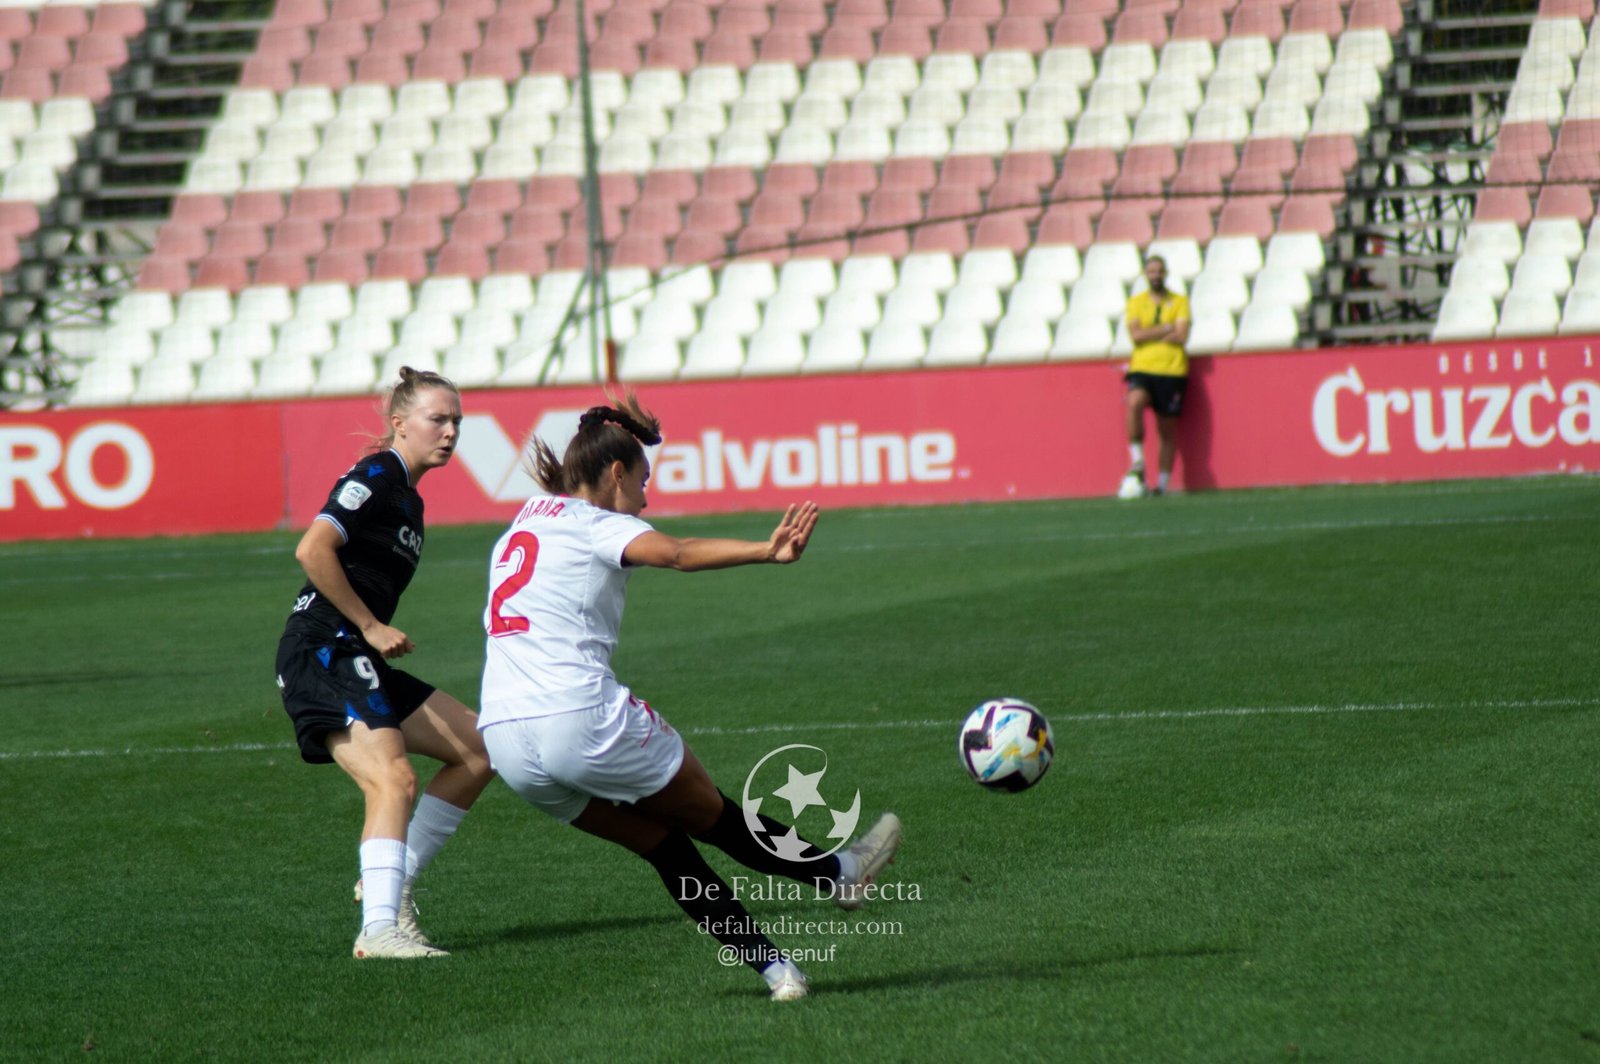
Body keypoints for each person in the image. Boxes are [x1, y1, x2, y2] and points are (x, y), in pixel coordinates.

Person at [477, 393, 901, 1002]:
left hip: (505, 740)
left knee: (664, 846)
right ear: (617, 472)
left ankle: (779, 973)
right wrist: (766, 550)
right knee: (718, 818)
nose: (646, 499)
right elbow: (675, 553)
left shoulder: (520, 525)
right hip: (579, 719)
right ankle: (840, 872)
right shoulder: (600, 525)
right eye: (642, 480)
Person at [274, 366, 495, 959]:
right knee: (393, 779)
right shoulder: (375, 474)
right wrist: (370, 625)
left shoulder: (409, 499)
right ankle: (379, 930)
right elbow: (312, 548)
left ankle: (386, 882)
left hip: (355, 651)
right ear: (399, 424)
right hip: (326, 647)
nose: (450, 432)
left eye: (457, 421)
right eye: (438, 419)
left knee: (480, 749)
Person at [1120, 255, 1191, 498]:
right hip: (1142, 367)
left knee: (1166, 429)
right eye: (1151, 271)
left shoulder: (1179, 301)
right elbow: (1136, 336)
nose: (1155, 275)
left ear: (1166, 273)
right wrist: (1165, 328)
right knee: (1134, 402)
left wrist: (1151, 332)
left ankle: (1161, 485)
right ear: (1145, 274)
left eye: (1159, 271)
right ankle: (1138, 462)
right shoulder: (1136, 302)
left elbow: (1181, 335)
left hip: (1172, 369)